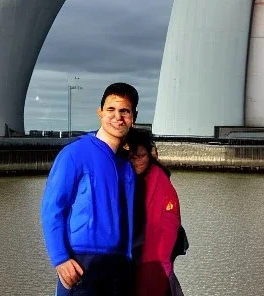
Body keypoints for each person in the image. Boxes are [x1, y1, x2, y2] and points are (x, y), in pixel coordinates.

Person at [41, 82, 138, 296]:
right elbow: (52, 208)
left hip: (119, 264)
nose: (117, 117)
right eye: (111, 109)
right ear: (100, 112)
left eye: (125, 111)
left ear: (133, 117)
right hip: (82, 262)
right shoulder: (75, 154)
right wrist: (60, 258)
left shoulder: (127, 165)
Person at [127, 129, 184, 296]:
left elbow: (168, 227)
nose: (137, 162)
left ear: (150, 155)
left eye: (142, 156)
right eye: (132, 157)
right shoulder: (128, 178)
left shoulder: (160, 183)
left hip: (154, 263)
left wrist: (163, 266)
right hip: (134, 260)